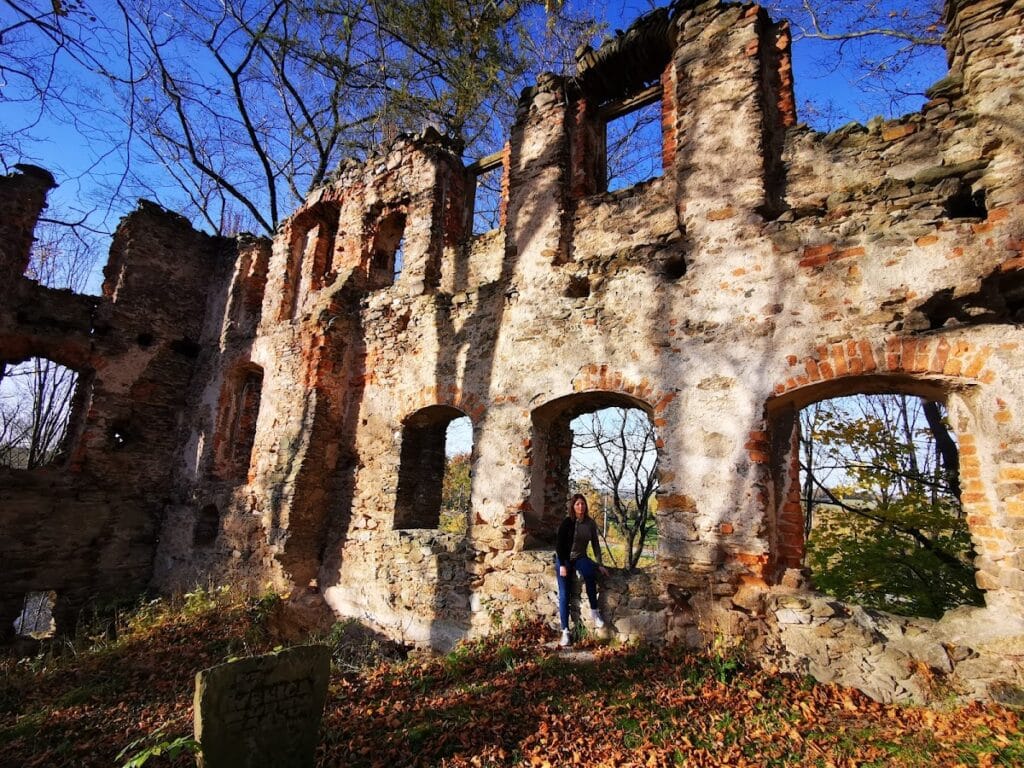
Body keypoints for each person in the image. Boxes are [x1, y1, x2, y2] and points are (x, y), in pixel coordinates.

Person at [555, 493, 609, 646]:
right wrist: (563, 565)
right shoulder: (568, 522)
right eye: (577, 504)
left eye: (583, 503)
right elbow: (559, 545)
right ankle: (565, 631)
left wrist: (600, 564)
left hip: (580, 557)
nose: (581, 506)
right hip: (564, 559)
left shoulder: (590, 523)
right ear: (573, 506)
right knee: (565, 594)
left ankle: (594, 611)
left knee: (590, 573)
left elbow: (596, 545)